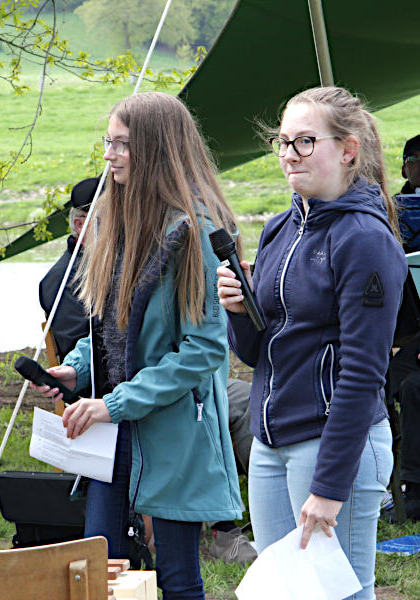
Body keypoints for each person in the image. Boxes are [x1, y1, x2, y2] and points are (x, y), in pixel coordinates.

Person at [35, 91, 243, 599]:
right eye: (108, 141)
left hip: (174, 430)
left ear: (155, 148)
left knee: (176, 579)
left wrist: (114, 403)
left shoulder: (195, 231)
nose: (109, 154)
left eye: (121, 144)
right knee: (102, 573)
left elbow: (203, 352)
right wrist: (78, 370)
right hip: (114, 429)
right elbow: (109, 333)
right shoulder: (115, 221)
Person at [218, 87, 405, 600]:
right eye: (283, 143)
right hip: (269, 446)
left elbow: (364, 374)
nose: (289, 156)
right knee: (283, 593)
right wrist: (239, 312)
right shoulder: (279, 230)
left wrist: (328, 486)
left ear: (347, 150)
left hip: (331, 447)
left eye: (304, 142)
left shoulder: (364, 239)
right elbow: (257, 353)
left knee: (338, 594)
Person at [385, 134, 420, 520]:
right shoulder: (388, 212)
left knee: (413, 388)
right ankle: (387, 480)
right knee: (388, 378)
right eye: (415, 160)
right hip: (410, 329)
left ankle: (414, 489)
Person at [39, 176, 102, 364]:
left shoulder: (110, 264)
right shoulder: (64, 280)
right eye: (111, 218)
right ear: (81, 225)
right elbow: (80, 354)